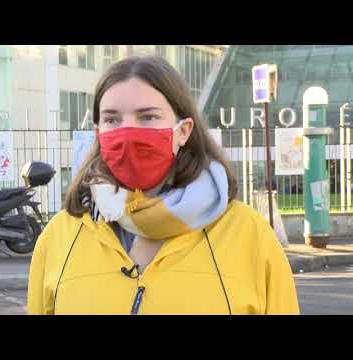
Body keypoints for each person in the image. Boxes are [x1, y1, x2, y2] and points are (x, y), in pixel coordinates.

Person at [27, 56, 299, 315]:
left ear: (183, 131)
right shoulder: (58, 238)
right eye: (112, 119)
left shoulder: (248, 235)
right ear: (99, 133)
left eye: (147, 117)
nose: (128, 131)